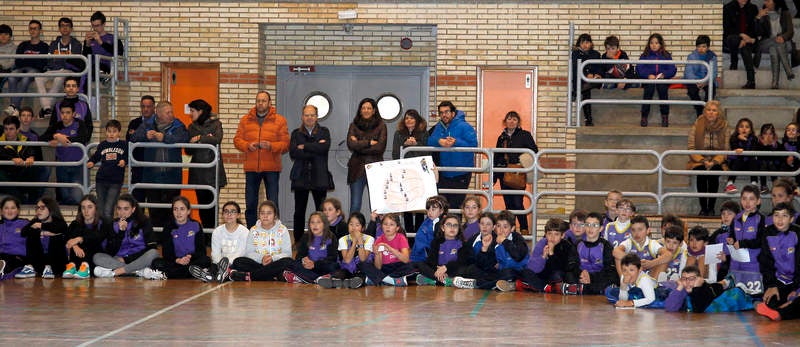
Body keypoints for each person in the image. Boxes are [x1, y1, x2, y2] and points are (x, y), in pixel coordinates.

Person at [233, 91, 289, 228]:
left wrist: (271, 146)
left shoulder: (280, 120)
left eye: (264, 101)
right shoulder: (246, 120)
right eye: (258, 100)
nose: (260, 103)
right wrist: (247, 145)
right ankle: (252, 232)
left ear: (270, 103)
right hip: (252, 168)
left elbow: (286, 144)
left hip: (272, 168)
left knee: (273, 202)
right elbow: (237, 140)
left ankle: (275, 231)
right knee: (251, 203)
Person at [131, 100, 188, 228]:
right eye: (168, 112)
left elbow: (184, 138)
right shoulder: (147, 125)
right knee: (154, 210)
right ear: (159, 114)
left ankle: (170, 238)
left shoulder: (178, 125)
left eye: (172, 112)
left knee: (172, 210)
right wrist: (145, 136)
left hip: (172, 176)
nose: (171, 115)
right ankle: (156, 239)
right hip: (152, 176)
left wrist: (165, 138)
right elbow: (134, 138)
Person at [92, 194, 164, 280]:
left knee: (154, 253)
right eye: (119, 208)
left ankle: (117, 272)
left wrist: (127, 259)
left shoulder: (144, 222)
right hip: (119, 259)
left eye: (126, 209)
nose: (122, 212)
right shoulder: (111, 224)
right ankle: (137, 271)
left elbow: (152, 247)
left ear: (133, 209)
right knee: (97, 257)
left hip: (139, 258)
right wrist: (120, 233)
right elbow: (110, 251)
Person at [289, 105, 331, 238]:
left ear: (316, 117)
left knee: (321, 212)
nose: (309, 118)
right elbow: (294, 153)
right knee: (299, 211)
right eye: (307, 115)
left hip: (319, 176)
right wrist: (315, 148)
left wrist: (305, 147)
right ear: (302, 117)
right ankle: (298, 240)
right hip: (301, 177)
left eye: (312, 115)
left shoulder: (324, 131)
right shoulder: (296, 133)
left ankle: (321, 239)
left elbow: (324, 149)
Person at [427, 101, 478, 210]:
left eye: (446, 112)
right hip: (444, 174)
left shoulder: (465, 126)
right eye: (441, 113)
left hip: (461, 174)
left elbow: (474, 145)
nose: (444, 115)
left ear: (453, 113)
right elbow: (430, 140)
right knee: (443, 206)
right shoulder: (439, 127)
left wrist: (456, 142)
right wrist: (439, 141)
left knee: (456, 207)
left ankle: (456, 227)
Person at [493, 111, 538, 233]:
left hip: (518, 173)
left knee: (518, 203)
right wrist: (494, 177)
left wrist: (522, 162)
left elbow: (534, 151)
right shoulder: (501, 137)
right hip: (504, 173)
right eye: (509, 119)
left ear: (518, 122)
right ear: (505, 121)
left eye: (514, 119)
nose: (511, 121)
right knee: (508, 204)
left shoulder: (525, 135)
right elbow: (496, 157)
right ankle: (510, 230)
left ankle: (524, 229)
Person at [186, 99, 227, 229]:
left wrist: (199, 138)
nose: (190, 114)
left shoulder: (216, 124)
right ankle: (205, 233)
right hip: (198, 172)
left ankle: (213, 233)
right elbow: (188, 149)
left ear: (200, 111)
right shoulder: (191, 127)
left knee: (213, 205)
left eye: (192, 111)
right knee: (202, 206)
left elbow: (217, 139)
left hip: (213, 172)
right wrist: (204, 138)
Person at [512, 218, 580, 294]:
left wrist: (551, 254)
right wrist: (543, 257)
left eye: (556, 234)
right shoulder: (542, 244)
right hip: (543, 276)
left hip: (557, 276)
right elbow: (532, 268)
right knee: (525, 272)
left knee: (558, 275)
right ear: (545, 234)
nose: (552, 237)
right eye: (549, 234)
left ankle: (534, 287)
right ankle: (547, 288)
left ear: (562, 235)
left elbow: (563, 267)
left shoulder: (566, 246)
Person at [229, 200, 293, 282]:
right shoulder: (253, 230)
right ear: (259, 215)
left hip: (276, 263)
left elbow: (287, 253)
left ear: (275, 215)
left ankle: (250, 276)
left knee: (288, 261)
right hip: (259, 264)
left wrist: (272, 258)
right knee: (238, 261)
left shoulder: (282, 230)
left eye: (269, 213)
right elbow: (249, 253)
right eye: (262, 213)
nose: (265, 216)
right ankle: (270, 276)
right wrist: (262, 258)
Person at [41, 101, 90, 205]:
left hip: (78, 166)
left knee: (77, 199)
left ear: (73, 113)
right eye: (62, 113)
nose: (65, 115)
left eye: (68, 112)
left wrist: (63, 139)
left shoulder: (80, 124)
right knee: (65, 199)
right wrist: (56, 136)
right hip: (62, 166)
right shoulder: (57, 126)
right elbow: (42, 137)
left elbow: (83, 138)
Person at [152, 196, 210, 279]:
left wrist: (189, 257)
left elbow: (201, 251)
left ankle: (169, 274)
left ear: (188, 211)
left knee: (206, 260)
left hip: (191, 261)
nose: (178, 212)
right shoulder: (168, 227)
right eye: (175, 209)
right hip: (175, 262)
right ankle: (192, 273)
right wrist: (177, 260)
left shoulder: (196, 225)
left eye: (182, 209)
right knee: (156, 263)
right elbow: (166, 253)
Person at [688, 100, 729, 216]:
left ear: (718, 113)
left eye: (714, 110)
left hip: (717, 160)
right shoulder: (697, 124)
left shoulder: (724, 126)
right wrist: (702, 160)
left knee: (713, 175)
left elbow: (726, 149)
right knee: (701, 173)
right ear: (705, 112)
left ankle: (711, 208)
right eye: (709, 110)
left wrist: (715, 161)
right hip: (699, 159)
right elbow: (691, 147)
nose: (711, 113)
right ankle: (703, 208)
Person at [346, 97, 387, 214]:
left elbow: (380, 148)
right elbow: (350, 144)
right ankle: (353, 232)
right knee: (355, 204)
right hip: (356, 169)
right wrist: (369, 143)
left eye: (369, 108)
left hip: (375, 169)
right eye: (363, 108)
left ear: (374, 110)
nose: (366, 110)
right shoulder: (353, 125)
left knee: (377, 207)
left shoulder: (381, 125)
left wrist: (358, 143)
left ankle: (378, 232)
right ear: (360, 110)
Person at [190, 201, 248, 283]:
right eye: (226, 211)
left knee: (241, 262)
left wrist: (227, 265)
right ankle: (213, 275)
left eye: (233, 211)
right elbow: (215, 254)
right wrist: (221, 265)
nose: (229, 214)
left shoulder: (244, 232)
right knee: (213, 264)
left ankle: (218, 274)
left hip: (236, 263)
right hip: (220, 264)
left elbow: (242, 253)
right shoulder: (217, 231)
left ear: (238, 215)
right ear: (222, 214)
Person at [36, 17, 83, 119]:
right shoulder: (53, 44)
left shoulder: (76, 45)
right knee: (38, 77)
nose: (65, 28)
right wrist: (62, 62)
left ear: (71, 29)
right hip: (53, 69)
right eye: (62, 26)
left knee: (59, 78)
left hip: (67, 71)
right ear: (59, 28)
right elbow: (49, 60)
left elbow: (74, 62)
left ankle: (45, 107)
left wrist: (60, 61)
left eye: (67, 26)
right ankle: (47, 107)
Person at [757, 203, 800, 312]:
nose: (780, 219)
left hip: (796, 281)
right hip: (779, 281)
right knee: (770, 302)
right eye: (776, 215)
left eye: (784, 216)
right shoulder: (767, 233)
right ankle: (781, 309)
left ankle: (781, 312)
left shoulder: (797, 234)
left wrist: (796, 289)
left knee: (796, 300)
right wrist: (772, 285)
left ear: (791, 219)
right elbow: (765, 262)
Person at [392, 109, 429, 232]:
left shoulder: (424, 134)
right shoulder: (398, 134)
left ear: (417, 120)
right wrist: (405, 144)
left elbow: (426, 153)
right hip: (404, 173)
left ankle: (418, 233)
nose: (409, 120)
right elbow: (395, 154)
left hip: (419, 173)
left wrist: (414, 145)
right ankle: (408, 235)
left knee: (419, 204)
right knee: (406, 203)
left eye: (412, 118)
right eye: (407, 118)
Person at [726, 185, 766, 294]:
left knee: (752, 296)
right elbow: (732, 236)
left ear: (758, 201)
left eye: (751, 199)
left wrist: (743, 243)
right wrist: (731, 240)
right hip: (735, 264)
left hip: (753, 264)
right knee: (734, 295)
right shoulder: (736, 218)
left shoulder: (761, 219)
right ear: (740, 200)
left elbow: (760, 241)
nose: (747, 202)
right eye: (744, 198)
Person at [15, 197, 68, 279]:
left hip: (57, 263)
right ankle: (30, 268)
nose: (39, 210)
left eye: (42, 208)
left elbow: (63, 227)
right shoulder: (35, 221)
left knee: (57, 236)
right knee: (31, 234)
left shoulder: (59, 222)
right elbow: (24, 232)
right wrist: (41, 232)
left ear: (51, 209)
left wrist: (41, 226)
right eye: (37, 208)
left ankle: (50, 268)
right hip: (40, 263)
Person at [5, 20, 49, 116]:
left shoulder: (44, 46)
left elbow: (42, 63)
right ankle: (15, 107)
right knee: (11, 77)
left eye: (35, 28)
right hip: (21, 69)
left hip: (34, 70)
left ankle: (13, 105)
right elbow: (18, 61)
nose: (32, 31)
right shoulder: (23, 45)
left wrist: (27, 60)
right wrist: (32, 60)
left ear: (40, 31)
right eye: (31, 28)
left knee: (26, 79)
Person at [415, 214, 472, 287]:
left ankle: (435, 280)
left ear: (459, 229)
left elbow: (461, 262)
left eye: (455, 225)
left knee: (465, 269)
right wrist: (439, 270)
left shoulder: (463, 244)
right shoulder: (436, 242)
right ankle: (447, 281)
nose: (452, 228)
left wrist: (446, 268)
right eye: (449, 225)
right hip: (437, 270)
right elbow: (431, 261)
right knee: (420, 264)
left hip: (453, 270)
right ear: (442, 228)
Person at [665, 266, 753, 313]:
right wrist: (680, 286)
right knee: (715, 286)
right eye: (684, 279)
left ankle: (727, 282)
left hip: (711, 292)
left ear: (698, 280)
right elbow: (669, 307)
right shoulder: (682, 289)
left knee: (719, 289)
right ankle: (726, 282)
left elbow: (698, 309)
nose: (687, 282)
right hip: (710, 287)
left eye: (691, 279)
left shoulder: (702, 288)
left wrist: (696, 287)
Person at [360, 213, 416, 286]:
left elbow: (405, 259)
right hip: (385, 268)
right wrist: (377, 254)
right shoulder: (379, 240)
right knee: (363, 265)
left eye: (391, 224)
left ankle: (379, 279)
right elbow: (378, 267)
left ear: (397, 228)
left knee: (412, 265)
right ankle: (391, 280)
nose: (388, 227)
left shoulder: (401, 238)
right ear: (381, 226)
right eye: (385, 224)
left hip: (398, 266)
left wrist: (390, 249)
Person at [283, 212, 339, 284]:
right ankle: (318, 279)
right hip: (308, 267)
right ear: (309, 225)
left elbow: (332, 258)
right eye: (312, 222)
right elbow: (299, 256)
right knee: (290, 263)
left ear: (324, 225)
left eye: (318, 222)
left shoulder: (331, 237)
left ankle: (305, 278)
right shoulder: (306, 237)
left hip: (323, 266)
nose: (315, 225)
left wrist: (315, 264)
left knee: (334, 267)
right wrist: (304, 260)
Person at [64, 194, 112, 279]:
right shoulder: (75, 223)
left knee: (88, 240)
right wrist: (75, 246)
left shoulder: (104, 222)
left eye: (90, 207)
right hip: (78, 256)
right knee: (72, 241)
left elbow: (97, 237)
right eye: (83, 207)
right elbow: (67, 237)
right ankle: (72, 266)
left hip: (96, 255)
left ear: (96, 208)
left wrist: (79, 239)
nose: (86, 211)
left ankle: (85, 267)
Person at [319, 212, 371, 289]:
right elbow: (347, 260)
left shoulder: (369, 239)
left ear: (363, 228)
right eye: (351, 224)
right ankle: (337, 281)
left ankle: (348, 283)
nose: (353, 228)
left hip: (361, 269)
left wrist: (360, 241)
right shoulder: (343, 239)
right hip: (347, 268)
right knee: (340, 273)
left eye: (357, 225)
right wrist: (354, 243)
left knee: (362, 275)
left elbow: (363, 259)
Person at [87, 120, 127, 219]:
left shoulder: (123, 145)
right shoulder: (102, 145)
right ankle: (101, 231)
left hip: (115, 181)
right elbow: (96, 156)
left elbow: (127, 156)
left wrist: (124, 161)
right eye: (109, 131)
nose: (111, 134)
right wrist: (91, 161)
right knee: (100, 209)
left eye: (114, 131)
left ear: (119, 133)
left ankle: (107, 233)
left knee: (108, 209)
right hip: (101, 180)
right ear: (106, 132)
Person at [637, 33, 676, 127]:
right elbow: (639, 69)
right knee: (649, 90)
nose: (654, 45)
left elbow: (672, 69)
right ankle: (644, 116)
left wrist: (664, 75)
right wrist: (648, 75)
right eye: (651, 43)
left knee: (663, 90)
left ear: (661, 44)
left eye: (656, 43)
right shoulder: (644, 55)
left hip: (662, 80)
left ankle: (665, 116)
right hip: (649, 80)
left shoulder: (666, 56)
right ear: (648, 44)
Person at [574, 212, 618, 295]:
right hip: (582, 276)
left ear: (601, 228)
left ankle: (580, 289)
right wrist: (581, 273)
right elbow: (572, 265)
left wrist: (591, 277)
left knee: (613, 276)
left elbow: (609, 269)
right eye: (588, 225)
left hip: (598, 278)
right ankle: (587, 289)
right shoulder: (578, 244)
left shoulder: (606, 245)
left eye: (595, 225)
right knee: (568, 275)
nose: (590, 229)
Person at [755, 0, 795, 89]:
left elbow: (790, 31)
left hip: (782, 42)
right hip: (766, 43)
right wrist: (758, 17)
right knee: (775, 42)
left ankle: (775, 83)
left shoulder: (785, 13)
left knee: (774, 48)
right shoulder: (763, 14)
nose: (766, 3)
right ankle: (788, 70)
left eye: (768, 0)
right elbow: (757, 33)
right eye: (765, 1)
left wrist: (783, 37)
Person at [453, 212, 498, 290]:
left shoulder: (497, 241)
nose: (485, 227)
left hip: (488, 270)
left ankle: (475, 283)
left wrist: (484, 249)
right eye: (482, 223)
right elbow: (466, 257)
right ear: (478, 225)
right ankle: (477, 283)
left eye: (488, 224)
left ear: (493, 227)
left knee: (494, 273)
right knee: (465, 269)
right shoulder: (473, 239)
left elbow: (490, 263)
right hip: (475, 269)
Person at [126, 95, 156, 203]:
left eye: (148, 106)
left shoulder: (158, 123)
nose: (146, 109)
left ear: (154, 107)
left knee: (153, 204)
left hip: (153, 168)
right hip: (138, 167)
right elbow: (129, 141)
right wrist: (144, 137)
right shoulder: (134, 123)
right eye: (143, 106)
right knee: (137, 203)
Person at [723, 0, 759, 89]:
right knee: (733, 39)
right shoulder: (728, 8)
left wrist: (747, 39)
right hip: (732, 37)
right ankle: (734, 60)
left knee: (745, 48)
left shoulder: (753, 8)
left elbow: (753, 28)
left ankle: (751, 81)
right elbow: (727, 28)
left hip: (748, 39)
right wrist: (741, 35)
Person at [492, 210, 531, 291]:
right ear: (495, 227)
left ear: (512, 228)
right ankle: (476, 282)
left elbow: (518, 256)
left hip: (519, 271)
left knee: (510, 273)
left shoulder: (518, 238)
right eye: (499, 226)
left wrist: (505, 241)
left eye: (505, 227)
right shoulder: (493, 239)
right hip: (504, 272)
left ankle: (512, 284)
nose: (501, 230)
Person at [81, 11, 124, 81]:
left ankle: (103, 76)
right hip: (91, 66)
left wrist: (101, 42)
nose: (95, 28)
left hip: (106, 67)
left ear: (104, 24)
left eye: (97, 25)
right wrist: (87, 45)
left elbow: (119, 53)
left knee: (94, 68)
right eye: (93, 26)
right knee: (73, 61)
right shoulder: (90, 39)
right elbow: (85, 57)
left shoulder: (113, 38)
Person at [0, 116, 36, 199]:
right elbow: (1, 154)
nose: (8, 132)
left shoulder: (26, 140)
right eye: (6, 129)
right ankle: (21, 198)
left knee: (42, 169)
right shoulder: (0, 141)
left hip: (21, 174)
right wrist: (11, 159)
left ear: (18, 130)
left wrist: (31, 157)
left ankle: (32, 198)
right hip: (6, 175)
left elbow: (31, 152)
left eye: (11, 129)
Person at [571, 33, 602, 126]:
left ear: (591, 44)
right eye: (582, 43)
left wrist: (597, 74)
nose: (585, 45)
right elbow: (576, 68)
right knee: (586, 92)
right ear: (579, 44)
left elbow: (599, 67)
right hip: (581, 80)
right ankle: (588, 120)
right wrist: (586, 74)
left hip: (593, 81)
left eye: (587, 42)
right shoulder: (576, 53)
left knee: (588, 87)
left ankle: (576, 92)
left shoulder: (596, 54)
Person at [685, 35, 719, 117]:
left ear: (708, 47)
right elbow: (688, 73)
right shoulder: (691, 56)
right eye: (699, 46)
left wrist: (705, 81)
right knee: (691, 91)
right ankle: (700, 110)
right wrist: (697, 81)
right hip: (695, 81)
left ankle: (706, 109)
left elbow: (714, 72)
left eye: (704, 46)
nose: (701, 49)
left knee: (712, 90)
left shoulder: (712, 57)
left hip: (707, 81)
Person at [410, 195, 448, 264]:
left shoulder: (439, 224)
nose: (430, 212)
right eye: (428, 209)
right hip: (417, 256)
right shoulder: (428, 220)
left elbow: (436, 245)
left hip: (425, 259)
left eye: (433, 209)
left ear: (441, 211)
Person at [725, 117, 758, 193]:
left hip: (749, 164)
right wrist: (739, 140)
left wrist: (745, 141)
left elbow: (751, 152)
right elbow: (736, 150)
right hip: (737, 164)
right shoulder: (733, 138)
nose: (744, 129)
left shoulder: (754, 139)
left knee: (753, 160)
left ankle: (754, 183)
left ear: (751, 130)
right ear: (737, 128)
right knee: (737, 160)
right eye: (741, 126)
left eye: (747, 127)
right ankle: (729, 183)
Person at [0, 197, 28, 279]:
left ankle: (2, 266)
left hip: (16, 258)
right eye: (6, 208)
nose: (9, 211)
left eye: (13, 208)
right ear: (1, 211)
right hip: (1, 255)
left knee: (7, 261)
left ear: (18, 210)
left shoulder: (25, 224)